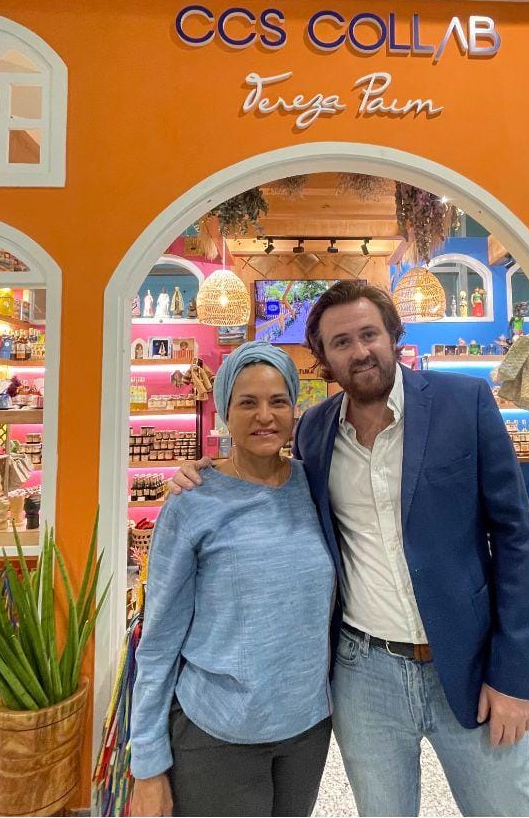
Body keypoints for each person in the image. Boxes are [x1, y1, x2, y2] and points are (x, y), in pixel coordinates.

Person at [171, 281, 529, 817]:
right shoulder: (315, 431)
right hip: (365, 673)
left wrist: (514, 675)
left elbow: (515, 538)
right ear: (324, 358)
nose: (360, 351)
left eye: (369, 334)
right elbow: (268, 481)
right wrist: (202, 474)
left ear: (393, 335)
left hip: (470, 662)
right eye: (341, 342)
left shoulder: (465, 403)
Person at [130, 341, 335, 818]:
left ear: (294, 408)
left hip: (306, 729)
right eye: (247, 402)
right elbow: (158, 641)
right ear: (224, 411)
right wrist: (148, 763)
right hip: (217, 731)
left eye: (278, 401)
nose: (265, 415)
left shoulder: (315, 485)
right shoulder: (193, 501)